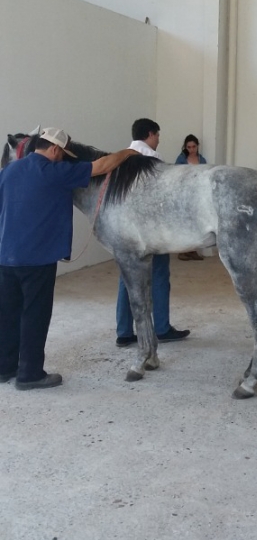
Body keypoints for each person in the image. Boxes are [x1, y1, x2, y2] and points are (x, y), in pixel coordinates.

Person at [0, 128, 137, 390]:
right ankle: (30, 375)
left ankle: (4, 369)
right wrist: (129, 152)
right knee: (34, 316)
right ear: (54, 150)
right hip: (37, 259)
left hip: (5, 258)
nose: (62, 158)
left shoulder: (8, 171)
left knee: (7, 314)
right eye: (62, 153)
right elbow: (101, 166)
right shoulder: (54, 172)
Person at [116, 118, 190, 347]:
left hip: (126, 231)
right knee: (159, 276)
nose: (158, 140)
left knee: (126, 279)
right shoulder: (154, 160)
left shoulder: (120, 158)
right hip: (151, 231)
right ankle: (161, 328)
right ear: (150, 134)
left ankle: (124, 332)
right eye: (157, 135)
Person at [175, 134, 207, 260]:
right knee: (184, 221)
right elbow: (176, 175)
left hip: (197, 192)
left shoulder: (202, 159)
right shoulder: (181, 159)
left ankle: (193, 249)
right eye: (189, 147)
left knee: (196, 221)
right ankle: (182, 250)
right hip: (184, 192)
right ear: (185, 147)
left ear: (197, 147)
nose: (191, 149)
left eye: (194, 146)